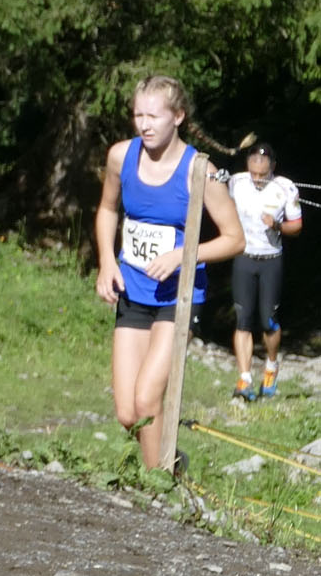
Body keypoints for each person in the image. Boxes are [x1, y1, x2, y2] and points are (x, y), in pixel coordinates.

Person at [92, 74, 242, 469]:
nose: (144, 125)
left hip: (178, 297)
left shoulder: (200, 171)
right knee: (128, 412)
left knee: (147, 399)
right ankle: (169, 462)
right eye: (138, 115)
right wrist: (106, 261)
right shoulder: (121, 156)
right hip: (133, 290)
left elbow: (234, 239)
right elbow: (107, 209)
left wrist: (182, 256)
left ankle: (157, 485)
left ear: (177, 116)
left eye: (153, 116)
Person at [228, 138, 302, 404]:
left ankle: (271, 367)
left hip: (271, 260)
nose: (257, 179)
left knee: (268, 319)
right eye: (253, 174)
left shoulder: (285, 188)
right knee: (243, 319)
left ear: (273, 168)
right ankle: (245, 378)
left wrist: (277, 226)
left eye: (262, 174)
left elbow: (296, 226)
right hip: (244, 257)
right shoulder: (236, 182)